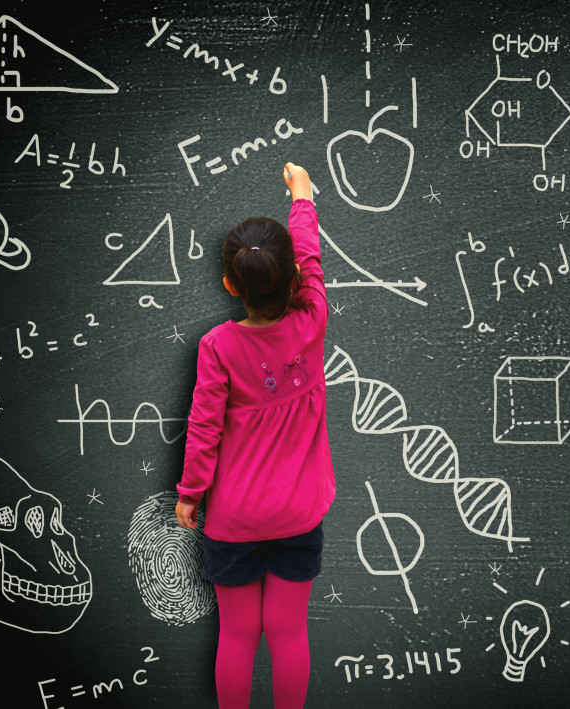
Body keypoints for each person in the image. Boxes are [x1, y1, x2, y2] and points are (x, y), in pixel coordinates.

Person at [175, 162, 335, 709]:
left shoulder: (218, 346)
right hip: (298, 513)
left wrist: (190, 494)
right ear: (292, 280)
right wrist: (303, 197)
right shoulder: (311, 318)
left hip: (234, 519)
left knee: (239, 634)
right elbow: (311, 261)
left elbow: (203, 428)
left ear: (228, 284)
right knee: (289, 632)